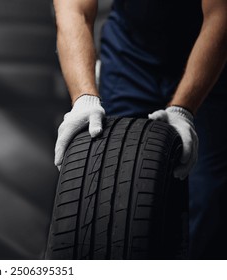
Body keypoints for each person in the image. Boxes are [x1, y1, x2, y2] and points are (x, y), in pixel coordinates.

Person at [53, 0, 227, 259]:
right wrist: (83, 98)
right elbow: (73, 10)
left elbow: (220, 17)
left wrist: (183, 109)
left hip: (210, 55)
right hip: (130, 54)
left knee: (208, 198)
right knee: (110, 187)